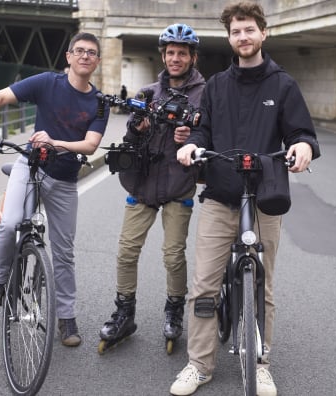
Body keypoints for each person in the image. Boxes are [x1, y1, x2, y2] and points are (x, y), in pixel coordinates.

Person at [170, 3, 320, 396]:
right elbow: (203, 132)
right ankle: (199, 365)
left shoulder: (283, 84)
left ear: (263, 34)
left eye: (249, 30)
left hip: (265, 195)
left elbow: (302, 132)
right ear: (230, 38)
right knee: (203, 285)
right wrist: (192, 148)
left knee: (262, 288)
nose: (243, 37)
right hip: (221, 194)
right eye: (236, 32)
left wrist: (303, 146)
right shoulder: (217, 85)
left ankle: (260, 362)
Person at [0, 32, 109, 347]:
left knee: (64, 252)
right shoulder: (47, 83)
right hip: (30, 166)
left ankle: (67, 318)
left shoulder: (99, 103)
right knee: (8, 224)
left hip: (64, 180)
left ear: (97, 62)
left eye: (92, 53)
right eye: (80, 51)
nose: (85, 56)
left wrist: (55, 141)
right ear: (69, 57)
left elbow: (90, 144)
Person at [98, 23, 206, 351]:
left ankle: (174, 311)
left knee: (173, 255)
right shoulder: (147, 92)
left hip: (178, 183)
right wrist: (137, 130)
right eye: (170, 53)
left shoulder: (206, 93)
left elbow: (211, 136)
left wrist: (192, 137)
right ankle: (124, 312)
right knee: (126, 251)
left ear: (192, 57)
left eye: (182, 54)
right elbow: (132, 139)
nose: (175, 58)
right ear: (163, 55)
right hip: (143, 182)